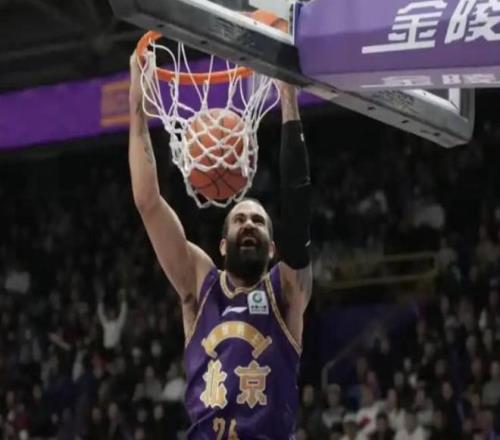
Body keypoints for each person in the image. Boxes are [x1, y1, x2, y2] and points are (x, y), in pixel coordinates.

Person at [128, 51, 312, 440]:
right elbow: (148, 202)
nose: (249, 225)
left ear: (273, 248)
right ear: (222, 245)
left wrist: (288, 99)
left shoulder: (286, 291)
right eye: (240, 219)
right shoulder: (200, 283)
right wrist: (137, 107)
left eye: (258, 221)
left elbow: (297, 208)